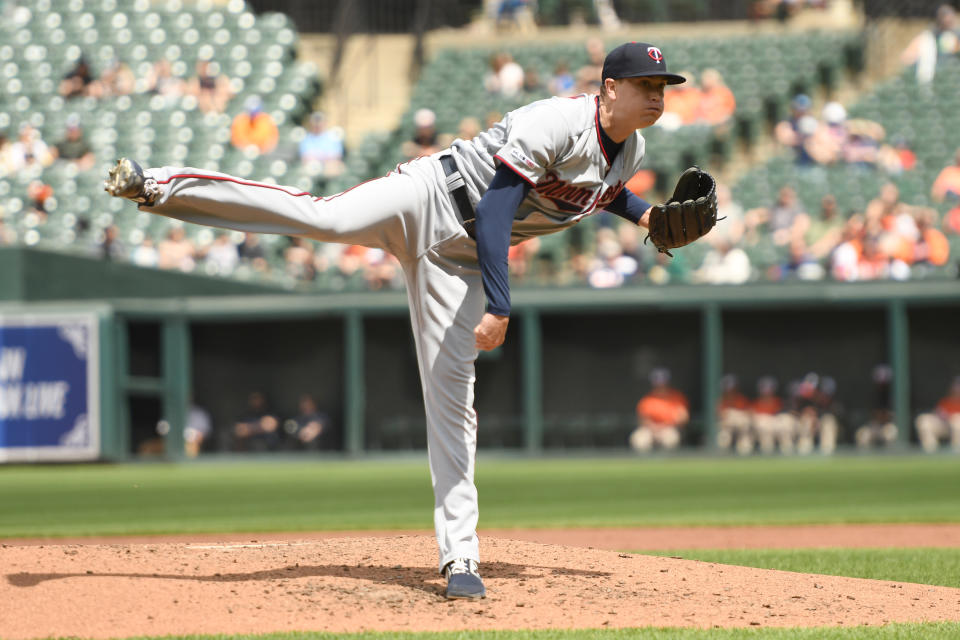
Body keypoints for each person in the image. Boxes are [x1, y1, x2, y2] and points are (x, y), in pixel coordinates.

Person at [104, 41, 701, 600]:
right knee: (326, 221)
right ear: (608, 89)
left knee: (453, 399)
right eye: (644, 83)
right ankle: (159, 186)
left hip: (458, 260)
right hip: (429, 196)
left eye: (663, 86)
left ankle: (460, 557)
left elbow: (600, 192)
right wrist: (499, 305)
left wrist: (646, 216)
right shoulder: (555, 121)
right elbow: (497, 210)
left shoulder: (633, 151)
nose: (656, 94)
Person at [630, 368, 689, 452]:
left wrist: (664, 426)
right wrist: (654, 429)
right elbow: (643, 420)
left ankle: (668, 463)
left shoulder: (677, 397)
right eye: (658, 383)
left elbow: (683, 418)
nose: (660, 386)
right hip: (650, 430)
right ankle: (646, 464)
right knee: (639, 439)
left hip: (669, 429)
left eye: (663, 383)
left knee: (670, 438)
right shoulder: (647, 400)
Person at [855, 364, 898, 449]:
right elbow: (873, 415)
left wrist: (884, 416)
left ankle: (890, 460)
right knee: (862, 435)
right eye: (879, 382)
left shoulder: (895, 394)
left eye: (884, 383)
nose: (881, 385)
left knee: (891, 434)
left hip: (888, 426)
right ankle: (865, 461)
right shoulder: (872, 394)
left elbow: (890, 416)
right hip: (875, 426)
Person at [915, 376, 960, 453]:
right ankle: (931, 452)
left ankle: (957, 451)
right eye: (956, 385)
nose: (956, 388)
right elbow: (937, 414)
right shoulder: (946, 401)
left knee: (956, 420)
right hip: (945, 426)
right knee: (923, 420)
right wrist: (941, 415)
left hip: (956, 426)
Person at [716, 373, 753, 455]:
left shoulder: (742, 399)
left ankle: (745, 456)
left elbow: (749, 414)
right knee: (723, 435)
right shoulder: (720, 400)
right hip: (726, 427)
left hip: (741, 428)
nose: (730, 391)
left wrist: (735, 415)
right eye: (727, 388)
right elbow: (719, 415)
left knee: (745, 432)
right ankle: (722, 457)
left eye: (732, 388)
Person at [299, 112, 345, 176]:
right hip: (312, 166)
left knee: (333, 167)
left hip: (329, 166)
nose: (317, 125)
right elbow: (305, 157)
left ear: (325, 123)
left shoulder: (333, 137)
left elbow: (336, 156)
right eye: (315, 122)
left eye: (319, 121)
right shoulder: (306, 138)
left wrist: (319, 157)